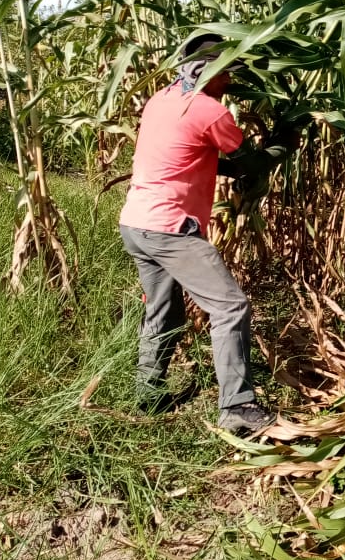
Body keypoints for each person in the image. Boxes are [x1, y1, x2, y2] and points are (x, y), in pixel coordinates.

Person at [119, 33, 288, 435]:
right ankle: (237, 407)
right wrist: (284, 140)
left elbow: (195, 159)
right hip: (170, 229)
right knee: (230, 307)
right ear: (208, 70)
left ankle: (147, 393)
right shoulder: (209, 111)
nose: (231, 78)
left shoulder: (161, 100)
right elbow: (248, 167)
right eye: (227, 69)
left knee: (164, 310)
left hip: (136, 224)